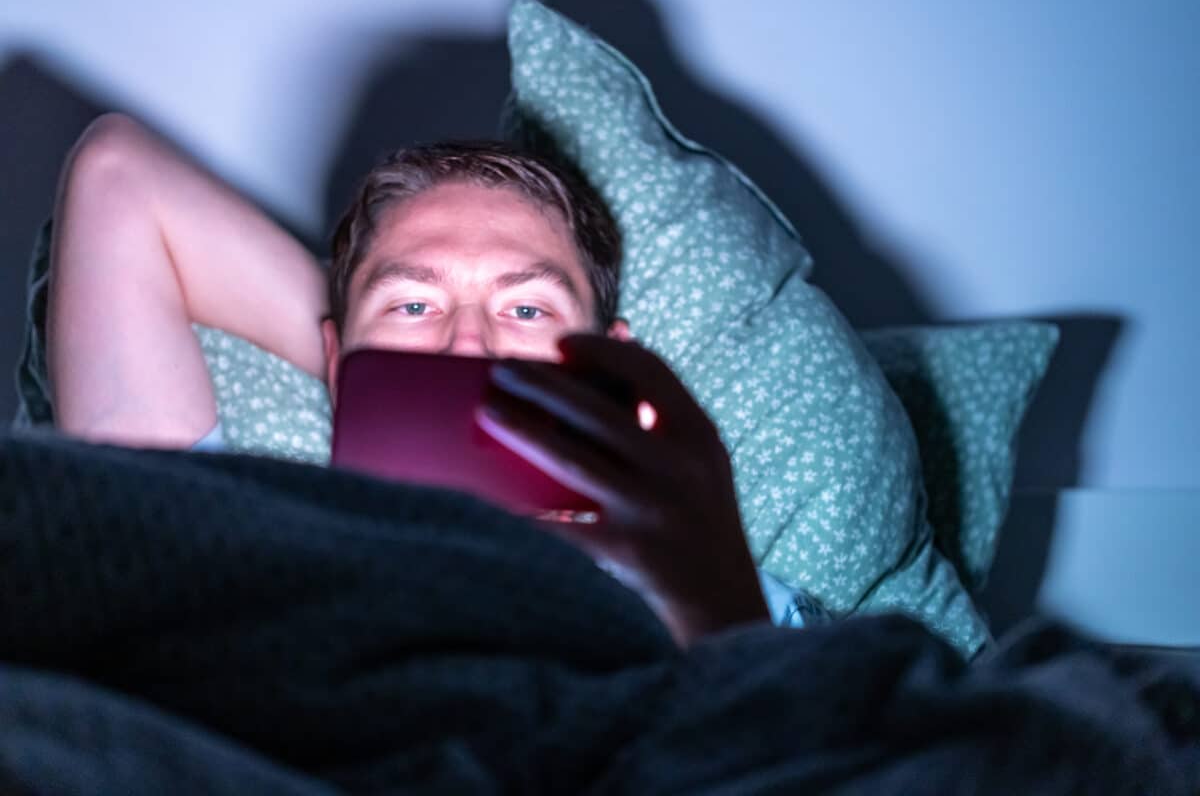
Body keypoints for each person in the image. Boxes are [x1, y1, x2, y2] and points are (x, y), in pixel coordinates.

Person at [45, 112, 804, 646]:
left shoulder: (714, 590)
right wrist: (384, 390)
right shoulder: (244, 548)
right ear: (336, 364)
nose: (468, 342)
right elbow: (118, 175)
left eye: (528, 308)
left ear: (617, 364)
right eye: (414, 303)